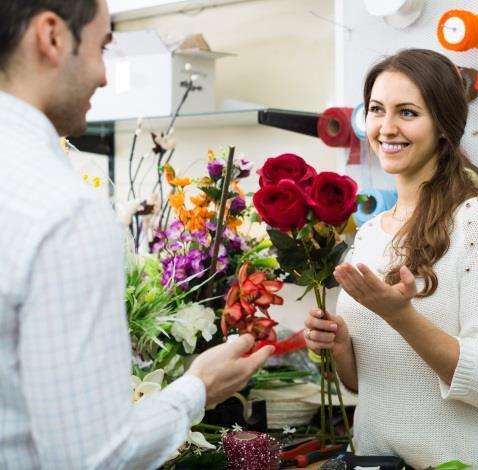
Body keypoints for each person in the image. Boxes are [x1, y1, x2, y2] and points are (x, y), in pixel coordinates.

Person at [0, 1, 273, 468]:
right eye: (102, 47)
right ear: (52, 36)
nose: (104, 76)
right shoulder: (67, 212)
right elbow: (92, 457)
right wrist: (198, 388)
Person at [303, 49, 478, 468]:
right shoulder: (369, 234)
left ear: (443, 124)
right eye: (376, 110)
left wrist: (401, 316)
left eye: (407, 112)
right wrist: (341, 344)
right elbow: (362, 385)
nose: (386, 128)